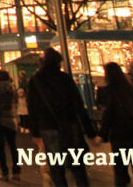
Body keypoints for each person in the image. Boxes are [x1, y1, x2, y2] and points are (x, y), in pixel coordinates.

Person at [26, 47, 96, 187]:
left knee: (56, 167)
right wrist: (90, 131)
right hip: (70, 125)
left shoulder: (35, 81)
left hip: (48, 127)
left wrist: (34, 131)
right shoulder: (66, 79)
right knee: (77, 165)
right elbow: (78, 105)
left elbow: (32, 108)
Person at [98, 62, 133, 187]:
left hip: (119, 136)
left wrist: (102, 134)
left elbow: (107, 115)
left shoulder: (109, 92)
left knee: (120, 171)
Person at [0, 69, 21, 181]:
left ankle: (4, 171)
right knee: (13, 146)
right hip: (10, 119)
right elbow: (16, 102)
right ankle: (16, 171)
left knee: (0, 147)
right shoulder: (13, 88)